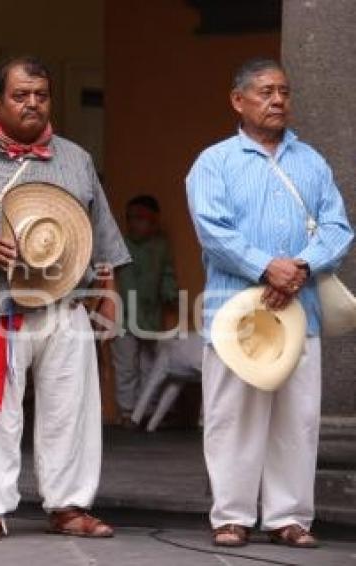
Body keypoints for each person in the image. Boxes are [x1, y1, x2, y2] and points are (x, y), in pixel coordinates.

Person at [0, 55, 130, 541]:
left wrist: (109, 292)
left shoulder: (76, 159)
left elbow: (101, 232)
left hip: (66, 304)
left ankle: (70, 506)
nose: (32, 103)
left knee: (71, 408)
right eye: (20, 95)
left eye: (40, 94)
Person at [186, 58, 353, 549]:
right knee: (231, 416)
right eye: (265, 92)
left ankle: (289, 517)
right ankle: (231, 516)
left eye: (283, 91)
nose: (277, 100)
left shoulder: (312, 161)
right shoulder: (214, 162)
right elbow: (213, 229)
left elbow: (338, 227)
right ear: (238, 101)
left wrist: (298, 268)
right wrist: (266, 267)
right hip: (235, 311)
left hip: (300, 310)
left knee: (296, 418)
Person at [112, 195, 179, 425]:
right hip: (123, 316)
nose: (134, 223)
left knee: (150, 366)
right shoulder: (120, 244)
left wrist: (171, 295)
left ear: (153, 221)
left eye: (141, 219)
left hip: (150, 315)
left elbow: (167, 274)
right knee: (126, 367)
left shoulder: (160, 246)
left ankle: (146, 411)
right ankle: (127, 413)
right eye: (131, 218)